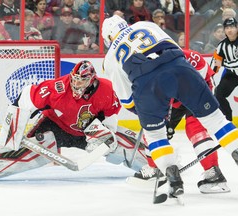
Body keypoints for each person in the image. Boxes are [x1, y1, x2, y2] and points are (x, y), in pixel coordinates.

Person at [102, 15, 238, 200]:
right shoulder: (144, 24)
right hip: (179, 68)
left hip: (149, 85)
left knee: (156, 135)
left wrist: (150, 114)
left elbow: (128, 101)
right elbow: (174, 49)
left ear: (108, 37)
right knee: (217, 121)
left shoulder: (110, 58)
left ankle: (171, 176)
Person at [0, 60, 148, 182]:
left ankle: (155, 164)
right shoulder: (57, 88)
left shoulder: (106, 89)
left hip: (87, 131)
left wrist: (105, 135)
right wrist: (13, 131)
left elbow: (110, 114)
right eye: (74, 80)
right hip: (55, 126)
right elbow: (26, 97)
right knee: (26, 152)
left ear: (92, 80)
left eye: (81, 82)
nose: (76, 85)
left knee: (119, 143)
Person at [134, 49, 230, 194]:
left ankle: (213, 174)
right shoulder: (149, 64)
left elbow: (208, 81)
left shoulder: (192, 57)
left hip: (197, 94)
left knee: (196, 131)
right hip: (171, 101)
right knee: (155, 130)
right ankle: (155, 168)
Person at [211, 17, 238, 121]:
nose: (229, 30)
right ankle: (228, 120)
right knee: (218, 94)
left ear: (237, 27)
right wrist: (209, 76)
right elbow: (215, 63)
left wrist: (224, 63)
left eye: (232, 27)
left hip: (232, 70)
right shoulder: (222, 46)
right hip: (232, 75)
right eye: (227, 28)